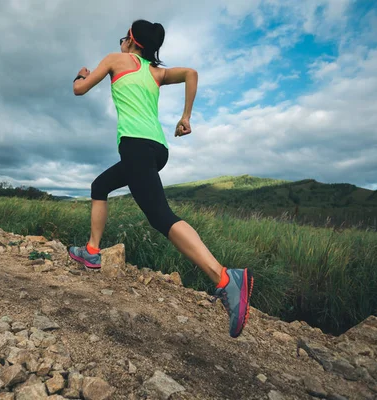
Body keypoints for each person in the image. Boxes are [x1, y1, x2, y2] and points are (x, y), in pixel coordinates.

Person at [68, 19, 254, 338]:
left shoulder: (115, 60)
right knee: (100, 186)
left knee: (161, 216)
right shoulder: (156, 73)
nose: (121, 43)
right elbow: (191, 73)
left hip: (136, 146)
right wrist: (186, 117)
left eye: (123, 38)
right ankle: (92, 251)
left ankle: (225, 279)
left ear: (130, 40)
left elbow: (79, 90)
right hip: (156, 149)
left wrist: (81, 74)